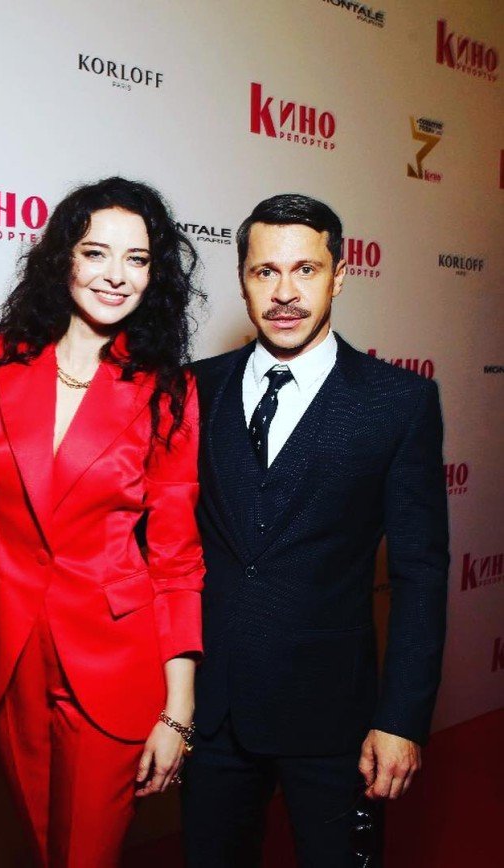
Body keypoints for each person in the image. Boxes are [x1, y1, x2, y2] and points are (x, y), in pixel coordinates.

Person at [0, 177, 205, 867]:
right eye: (96, 252)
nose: (115, 275)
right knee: (39, 849)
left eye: (137, 259)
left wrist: (179, 711)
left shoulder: (168, 390)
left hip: (116, 663)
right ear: (63, 259)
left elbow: (175, 559)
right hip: (12, 659)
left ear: (155, 275)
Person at [182, 193, 449, 867]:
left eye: (306, 269)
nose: (285, 293)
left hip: (336, 717)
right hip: (214, 713)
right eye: (265, 272)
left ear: (340, 276)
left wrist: (401, 718)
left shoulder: (398, 402)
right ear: (242, 280)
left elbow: (420, 573)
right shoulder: (194, 388)